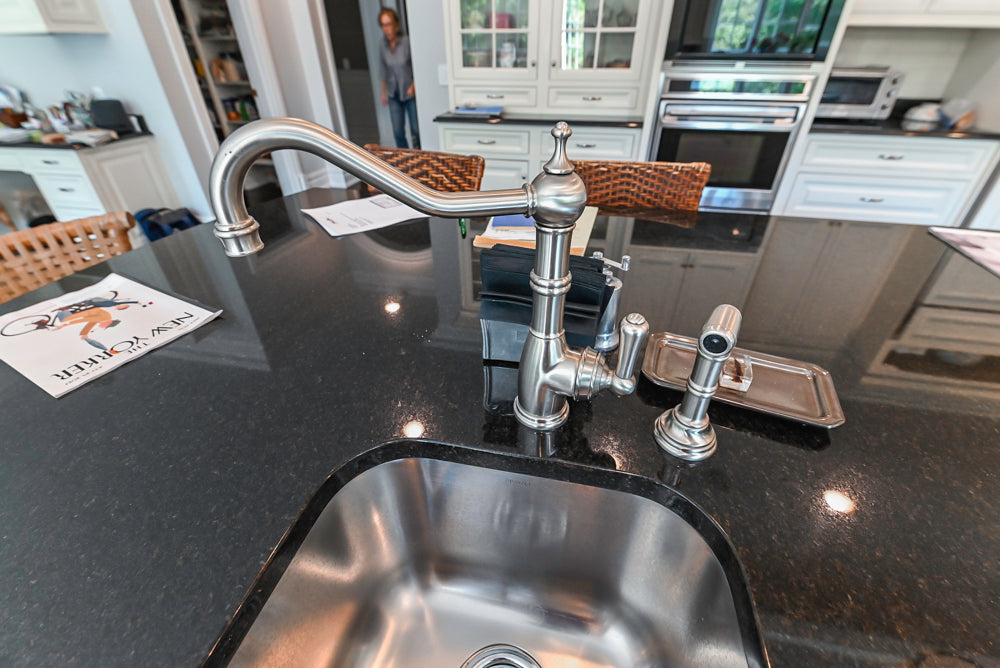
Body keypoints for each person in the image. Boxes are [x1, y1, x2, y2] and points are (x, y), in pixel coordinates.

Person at [378, 8, 420, 149]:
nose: (387, 29)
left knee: (416, 130)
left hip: (409, 92)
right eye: (384, 25)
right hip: (393, 94)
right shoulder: (383, 46)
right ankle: (404, 162)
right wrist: (384, 93)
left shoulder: (406, 42)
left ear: (395, 25)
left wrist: (414, 86)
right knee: (398, 132)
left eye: (389, 24)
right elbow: (384, 70)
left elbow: (416, 66)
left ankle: (420, 158)